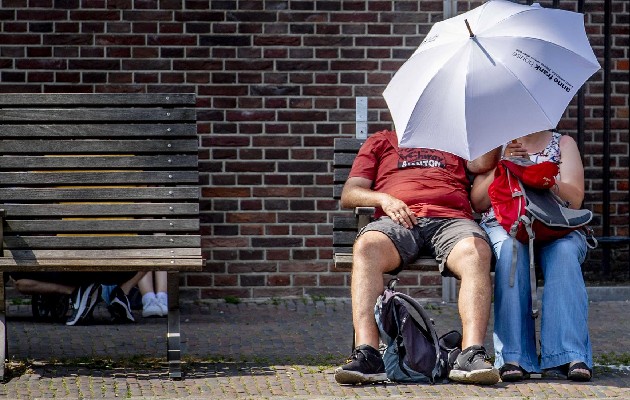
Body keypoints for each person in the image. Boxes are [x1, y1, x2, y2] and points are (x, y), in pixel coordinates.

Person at [333, 129, 502, 385]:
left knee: (476, 251)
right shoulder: (381, 141)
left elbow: (483, 164)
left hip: (451, 220)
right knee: (366, 246)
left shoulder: (455, 138)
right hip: (397, 220)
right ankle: (368, 353)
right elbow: (350, 193)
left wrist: (495, 121)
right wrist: (384, 199)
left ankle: (470, 354)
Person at [470, 129, 593, 382]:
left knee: (565, 253)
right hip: (507, 224)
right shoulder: (498, 144)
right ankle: (514, 357)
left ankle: (568, 354)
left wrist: (541, 176)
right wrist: (503, 165)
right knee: (510, 250)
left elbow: (575, 199)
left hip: (556, 226)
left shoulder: (563, 144)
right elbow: (478, 203)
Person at [10, 271, 147, 326]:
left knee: (20, 281)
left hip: (72, 269)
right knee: (151, 250)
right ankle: (121, 292)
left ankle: (76, 292)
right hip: (123, 268)